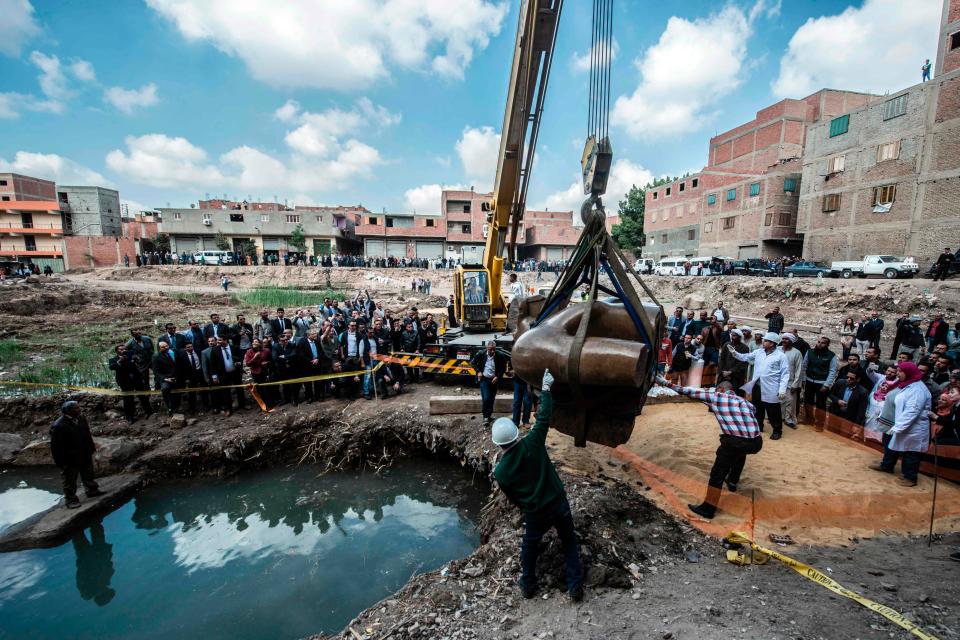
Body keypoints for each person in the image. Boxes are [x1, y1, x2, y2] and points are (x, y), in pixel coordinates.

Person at [492, 369, 583, 602]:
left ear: (498, 445)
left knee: (530, 547)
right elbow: (544, 416)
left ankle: (528, 584)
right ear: (515, 435)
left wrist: (528, 507)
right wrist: (545, 388)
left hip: (536, 512)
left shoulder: (500, 472)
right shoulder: (532, 442)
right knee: (569, 541)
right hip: (557, 501)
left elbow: (513, 498)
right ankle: (575, 586)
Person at [656, 377, 762, 519]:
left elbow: (686, 391)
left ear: (720, 389)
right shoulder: (743, 402)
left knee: (717, 475)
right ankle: (732, 481)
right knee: (740, 452)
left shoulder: (717, 396)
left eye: (715, 389)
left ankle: (708, 508)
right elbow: (753, 410)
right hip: (756, 442)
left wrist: (663, 382)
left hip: (735, 441)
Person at [869, 362, 931, 487]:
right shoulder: (907, 384)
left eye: (900, 371)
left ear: (907, 372)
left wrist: (898, 427)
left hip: (913, 428)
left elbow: (912, 411)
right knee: (893, 446)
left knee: (911, 452)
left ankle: (910, 477)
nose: (897, 373)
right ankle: (887, 466)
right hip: (901, 423)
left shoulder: (917, 390)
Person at [725, 332, 790, 439]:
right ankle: (759, 426)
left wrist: (782, 389)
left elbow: (785, 374)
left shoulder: (781, 356)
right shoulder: (759, 352)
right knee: (757, 407)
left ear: (772, 343)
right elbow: (746, 357)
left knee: (773, 410)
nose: (763, 342)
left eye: (766, 341)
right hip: (757, 385)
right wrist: (734, 353)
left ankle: (777, 430)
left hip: (772, 387)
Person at [50, 401, 104, 509]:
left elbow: (87, 434)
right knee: (70, 481)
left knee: (88, 474)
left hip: (84, 452)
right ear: (68, 411)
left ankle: (92, 490)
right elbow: (56, 447)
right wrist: (61, 463)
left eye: (78, 407)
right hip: (70, 458)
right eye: (76, 408)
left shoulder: (81, 418)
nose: (79, 409)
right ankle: (71, 500)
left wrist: (91, 448)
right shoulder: (59, 426)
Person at [108, 345, 151, 422]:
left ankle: (149, 412)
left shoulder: (130, 355)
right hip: (124, 381)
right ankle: (130, 417)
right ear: (117, 351)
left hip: (136, 379)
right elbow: (112, 367)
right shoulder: (113, 359)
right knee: (128, 399)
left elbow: (139, 362)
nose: (123, 350)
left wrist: (136, 359)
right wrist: (119, 361)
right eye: (121, 349)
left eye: (124, 349)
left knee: (142, 396)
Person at [472, 340, 507, 426]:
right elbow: (473, 363)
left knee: (491, 399)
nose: (492, 351)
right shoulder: (481, 354)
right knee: (486, 398)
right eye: (491, 349)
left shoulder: (499, 355)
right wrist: (478, 372)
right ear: (487, 348)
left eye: (494, 349)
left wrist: (498, 376)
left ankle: (489, 415)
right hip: (484, 379)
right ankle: (485, 417)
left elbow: (503, 367)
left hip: (494, 380)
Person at [802, 336, 839, 415]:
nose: (819, 344)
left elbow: (832, 371)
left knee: (821, 404)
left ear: (827, 345)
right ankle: (809, 418)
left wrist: (826, 385)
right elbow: (804, 366)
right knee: (808, 401)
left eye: (822, 343)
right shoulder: (809, 352)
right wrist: (804, 379)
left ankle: (819, 423)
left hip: (822, 383)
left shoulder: (831, 356)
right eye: (818, 342)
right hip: (809, 381)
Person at [779, 333, 804, 428]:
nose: (784, 341)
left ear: (791, 341)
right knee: (778, 400)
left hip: (790, 381)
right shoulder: (777, 350)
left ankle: (788, 419)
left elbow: (799, 369)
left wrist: (796, 384)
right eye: (783, 338)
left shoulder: (797, 353)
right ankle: (779, 417)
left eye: (787, 339)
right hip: (777, 381)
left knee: (790, 401)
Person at [152, 340, 182, 415]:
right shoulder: (156, 357)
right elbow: (156, 372)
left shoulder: (172, 352)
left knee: (180, 388)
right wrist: (166, 379)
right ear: (159, 348)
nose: (166, 348)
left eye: (167, 346)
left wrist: (175, 377)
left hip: (175, 376)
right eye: (163, 347)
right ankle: (169, 407)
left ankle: (177, 406)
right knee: (165, 389)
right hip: (165, 378)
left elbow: (177, 366)